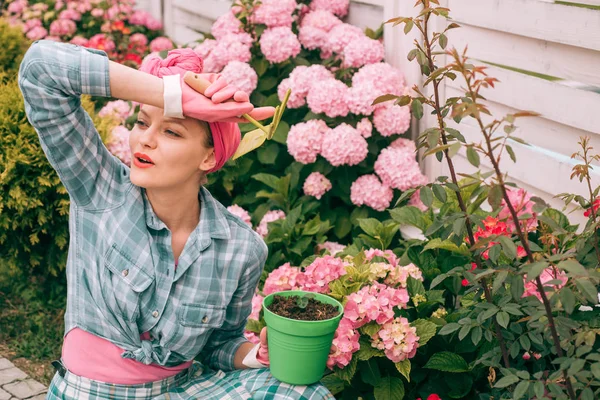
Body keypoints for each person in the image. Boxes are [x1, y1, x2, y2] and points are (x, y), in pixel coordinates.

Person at [18, 40, 334, 400]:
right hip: (88, 392)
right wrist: (171, 94)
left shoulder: (241, 249)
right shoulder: (99, 188)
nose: (145, 140)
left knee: (304, 393)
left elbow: (219, 346)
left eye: (171, 131)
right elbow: (40, 69)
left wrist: (254, 355)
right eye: (141, 122)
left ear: (209, 158)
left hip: (181, 391)